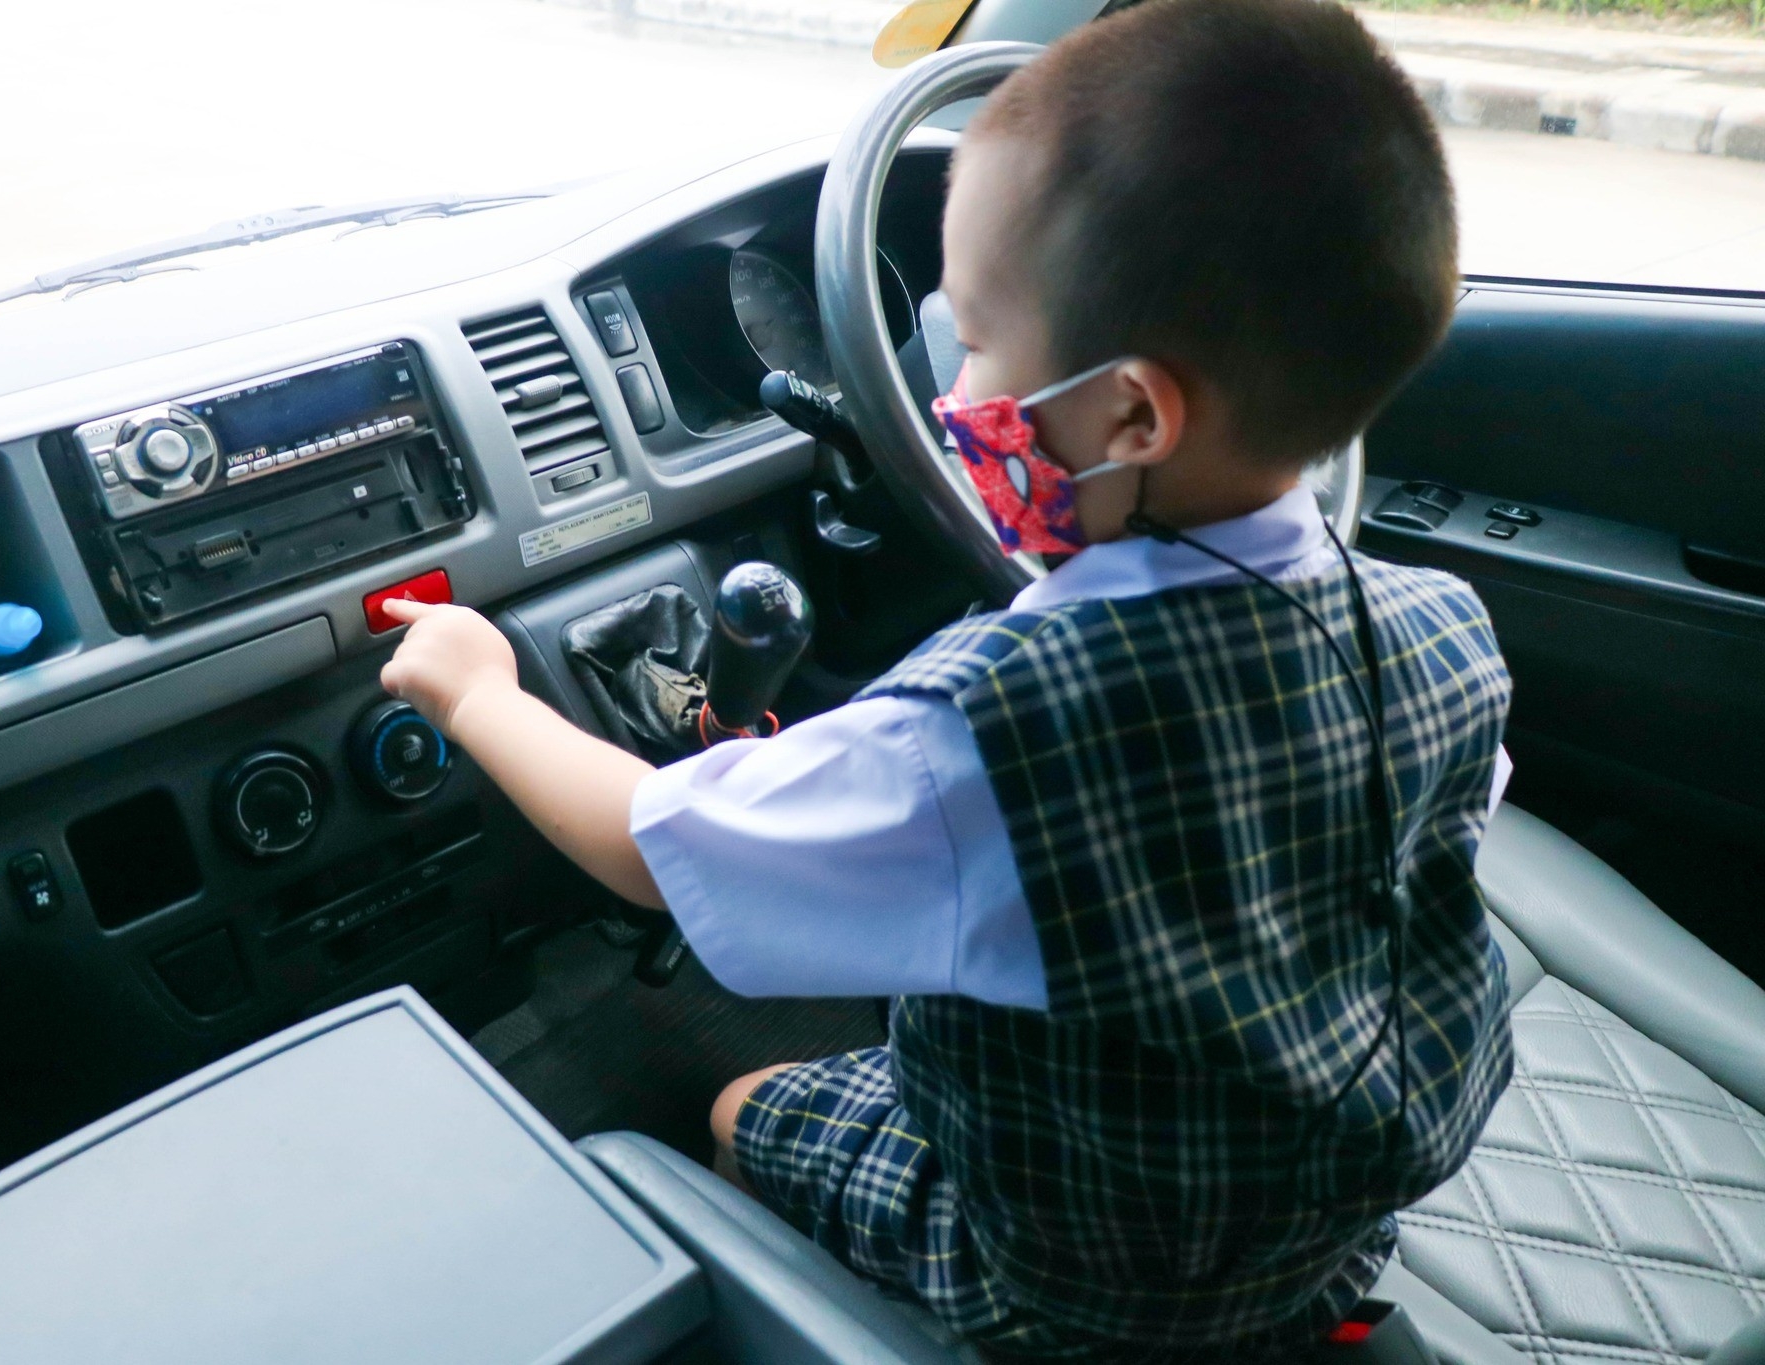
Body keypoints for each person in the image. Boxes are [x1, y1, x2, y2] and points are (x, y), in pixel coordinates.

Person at [376, 0, 1514, 1355]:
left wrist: (479, 692)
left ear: (1132, 414)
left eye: (971, 336)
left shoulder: (985, 725)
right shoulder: (1441, 623)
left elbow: (645, 848)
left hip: (1079, 1281)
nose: (946, 386)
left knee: (743, 1102)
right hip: (1313, 1221)